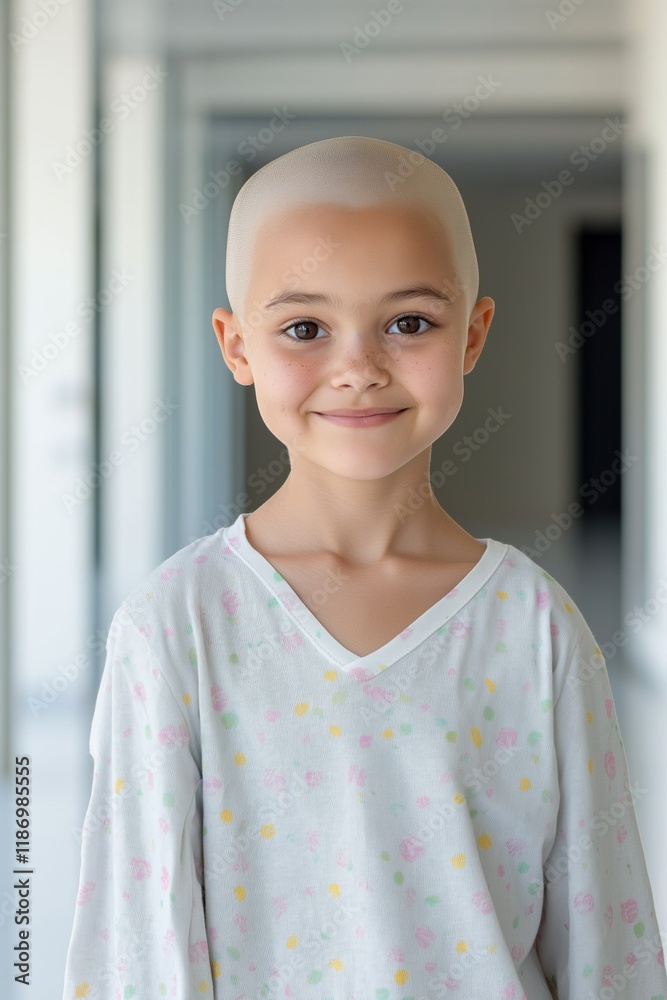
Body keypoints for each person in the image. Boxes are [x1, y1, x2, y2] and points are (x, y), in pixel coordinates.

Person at [61, 136, 667, 1000]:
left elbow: (607, 940)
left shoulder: (535, 627)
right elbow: (137, 944)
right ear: (236, 347)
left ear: (472, 335)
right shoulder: (175, 626)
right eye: (304, 328)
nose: (357, 368)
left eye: (408, 322)